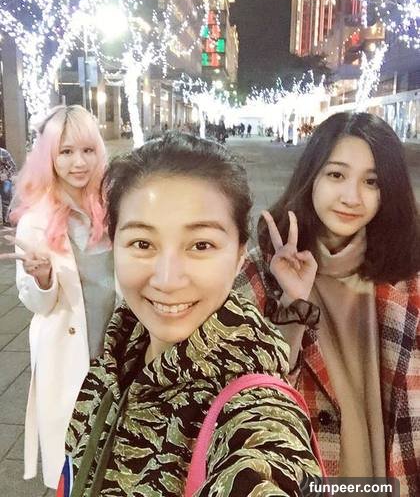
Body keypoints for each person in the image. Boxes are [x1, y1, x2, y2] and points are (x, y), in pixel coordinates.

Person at [62, 132, 321, 496]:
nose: (167, 279)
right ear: (114, 244)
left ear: (239, 256)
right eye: (142, 243)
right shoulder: (118, 351)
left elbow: (266, 470)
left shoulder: (255, 413)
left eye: (201, 245)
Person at [235, 112, 420, 497]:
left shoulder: (406, 280)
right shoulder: (260, 272)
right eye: (336, 175)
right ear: (312, 176)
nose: (352, 197)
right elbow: (249, 401)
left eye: (371, 181)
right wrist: (292, 304)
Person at [8, 105, 116, 489]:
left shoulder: (115, 207)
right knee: (73, 463)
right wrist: (41, 278)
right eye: (66, 152)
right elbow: (38, 305)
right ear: (49, 157)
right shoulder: (35, 220)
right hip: (67, 356)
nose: (78, 162)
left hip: (117, 353)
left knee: (119, 457)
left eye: (87, 150)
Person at [0, 146, 17, 225]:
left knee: (6, 201)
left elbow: (13, 167)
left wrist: (6, 175)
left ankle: (6, 220)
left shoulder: (3, 153)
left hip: (5, 180)